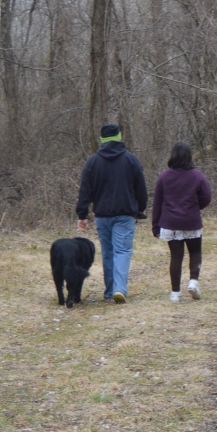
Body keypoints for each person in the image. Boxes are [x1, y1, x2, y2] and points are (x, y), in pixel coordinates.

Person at [76, 124, 147, 304]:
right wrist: (141, 208)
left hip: (102, 216)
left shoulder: (92, 162)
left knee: (108, 253)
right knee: (122, 251)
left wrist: (82, 215)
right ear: (119, 137)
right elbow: (141, 188)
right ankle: (119, 289)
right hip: (125, 214)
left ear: (102, 140)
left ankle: (109, 291)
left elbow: (85, 191)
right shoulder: (131, 160)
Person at [151, 141, 212, 302]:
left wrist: (155, 225)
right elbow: (207, 197)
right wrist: (196, 207)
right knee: (196, 252)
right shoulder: (197, 175)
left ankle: (175, 293)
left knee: (176, 256)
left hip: (170, 223)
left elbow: (157, 202)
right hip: (191, 220)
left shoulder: (164, 176)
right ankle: (193, 281)